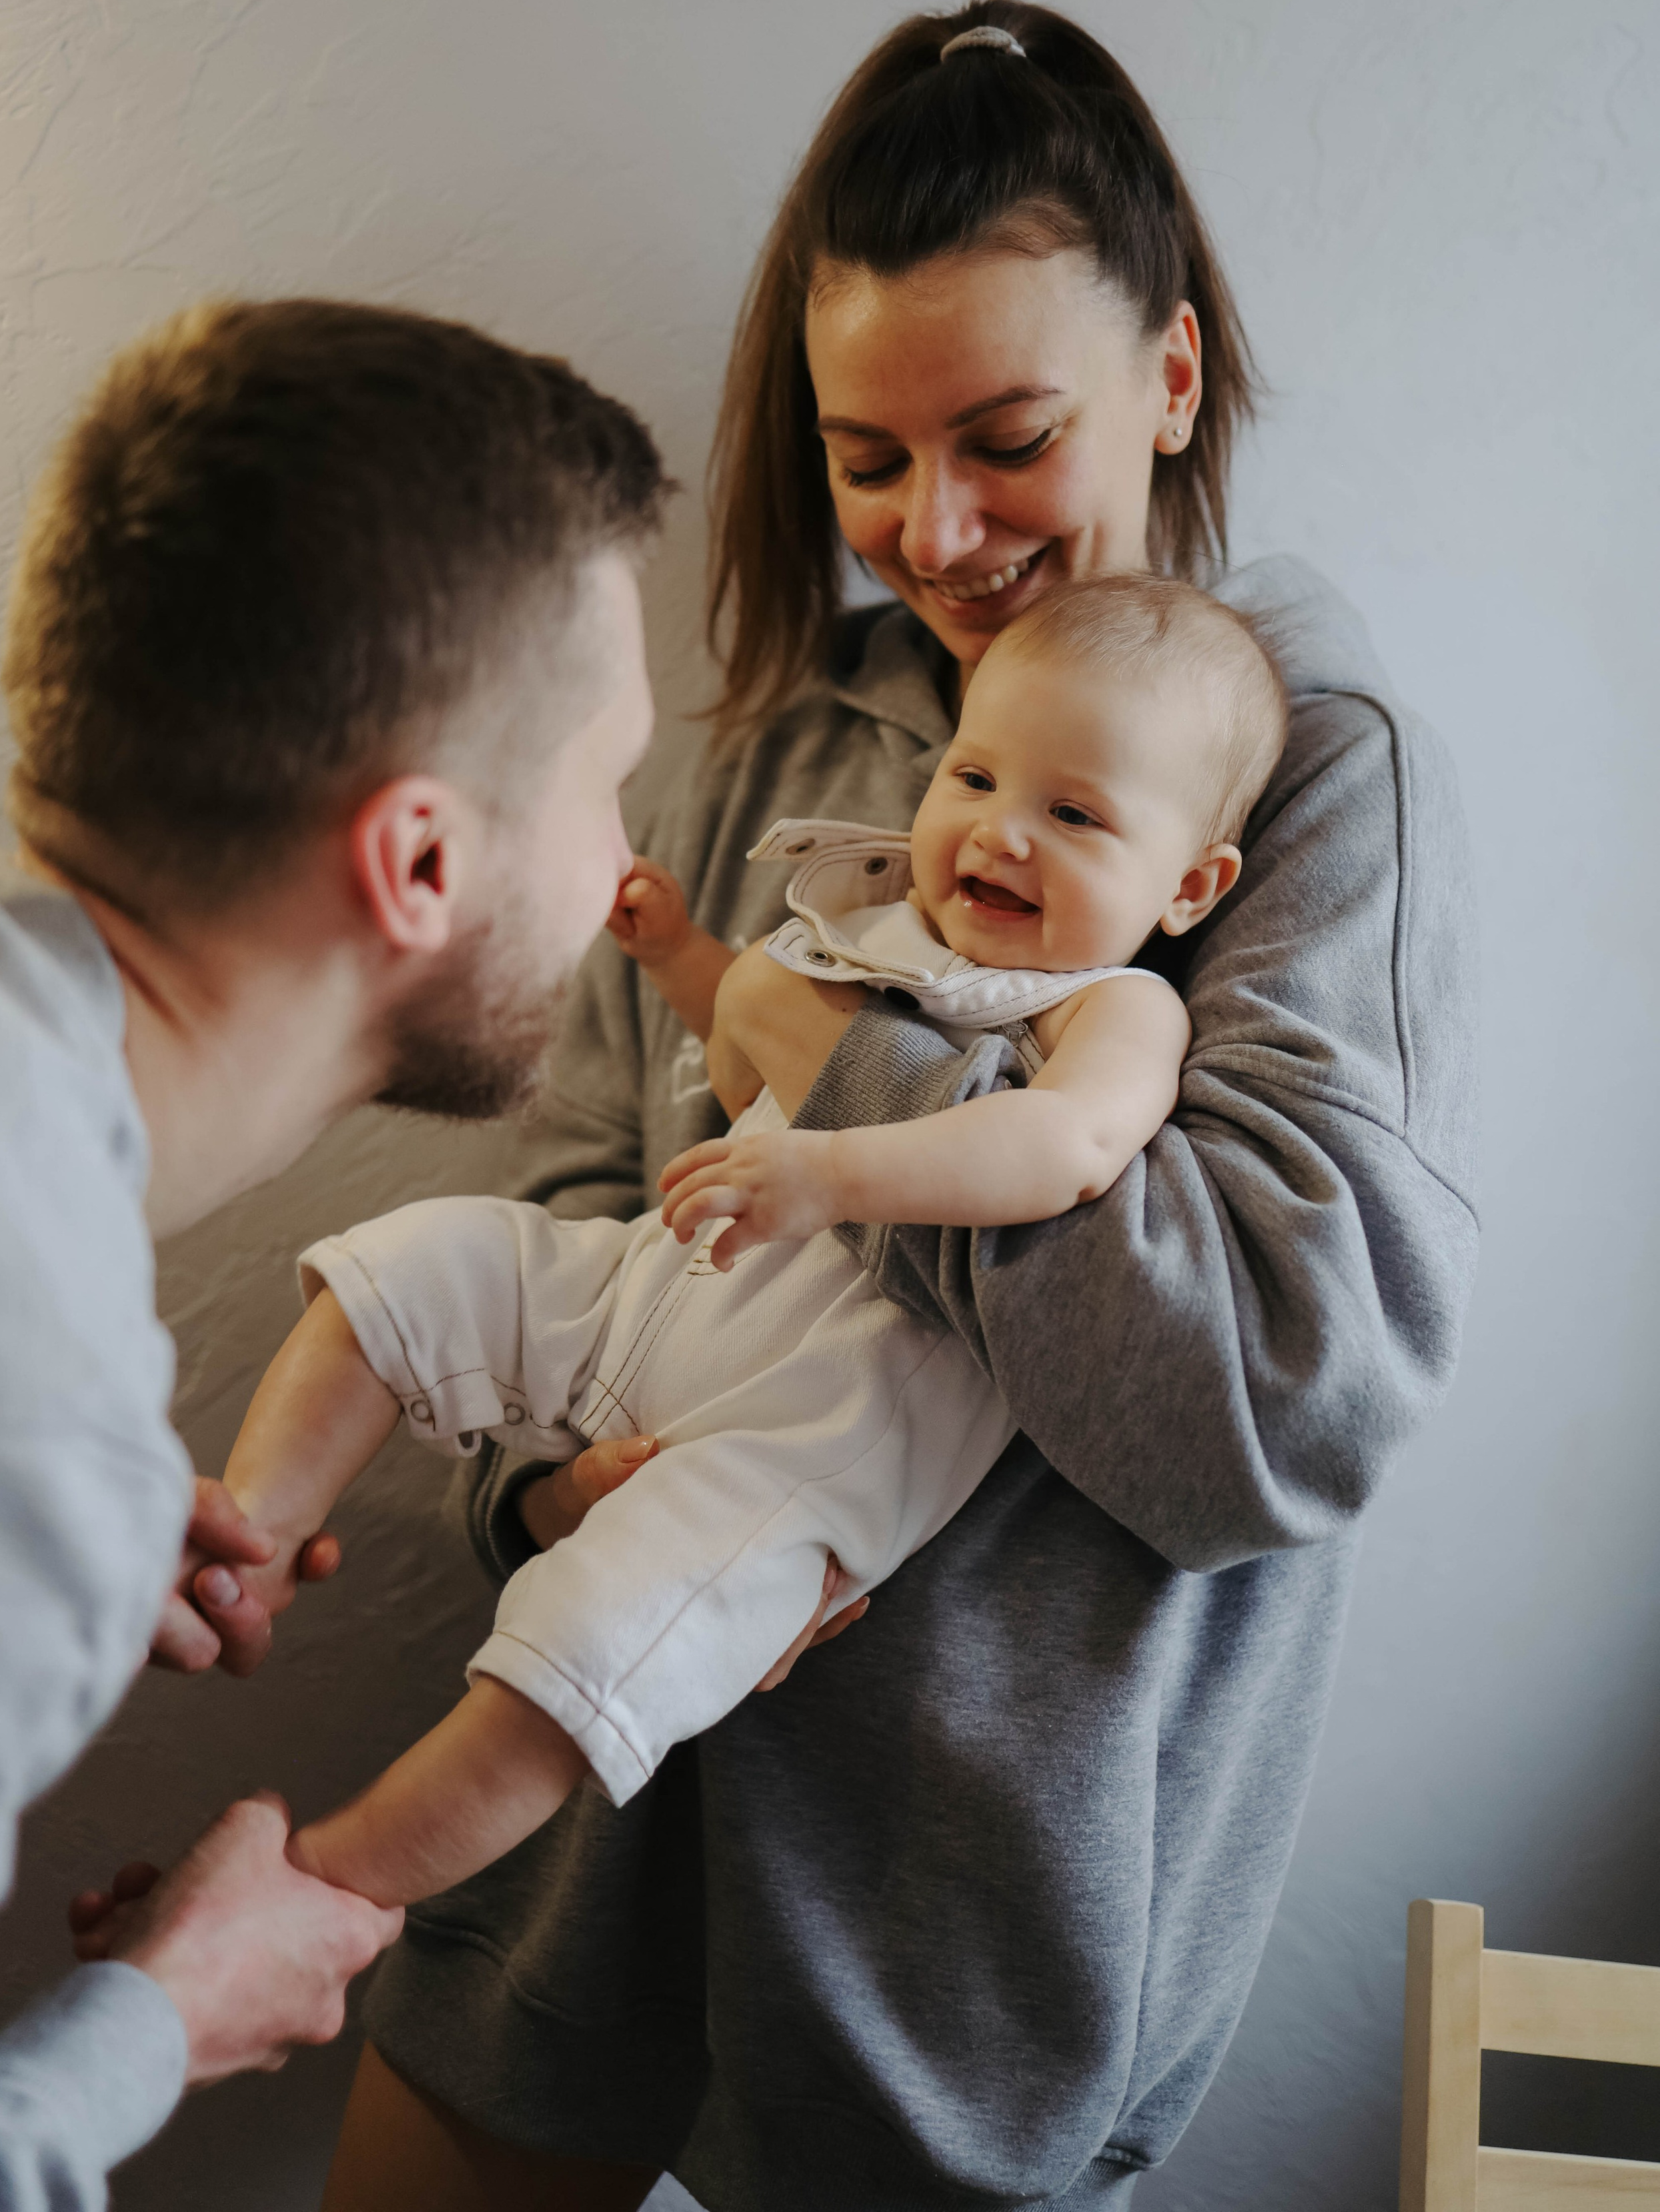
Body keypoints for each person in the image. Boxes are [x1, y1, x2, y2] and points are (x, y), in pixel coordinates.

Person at [309, 0, 1479, 2212]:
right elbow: (581, 1197)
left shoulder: (1308, 774)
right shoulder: (788, 739)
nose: (930, 533)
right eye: (865, 459)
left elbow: (1273, 1409)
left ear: (1171, 376)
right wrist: (552, 1501)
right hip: (577, 1828)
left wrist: (831, 1077)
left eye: (1007, 434)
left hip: (956, 1962)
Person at [179, 573, 1288, 1904]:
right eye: (976, 777)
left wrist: (831, 1168)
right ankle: (248, 1542)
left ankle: (323, 1885)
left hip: (796, 1457)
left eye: (1072, 813)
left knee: (577, 1660)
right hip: (645, 1291)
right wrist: (680, 959)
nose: (999, 834)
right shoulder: (883, 926)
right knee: (411, 1268)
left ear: (1188, 886)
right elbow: (746, 1034)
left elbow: (1060, 1154)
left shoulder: (1109, 1012)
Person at [0, 295, 665, 2210]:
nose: (624, 872)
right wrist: (163, 2020)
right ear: (422, 863)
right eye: (604, 781)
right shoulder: (17, 1416)